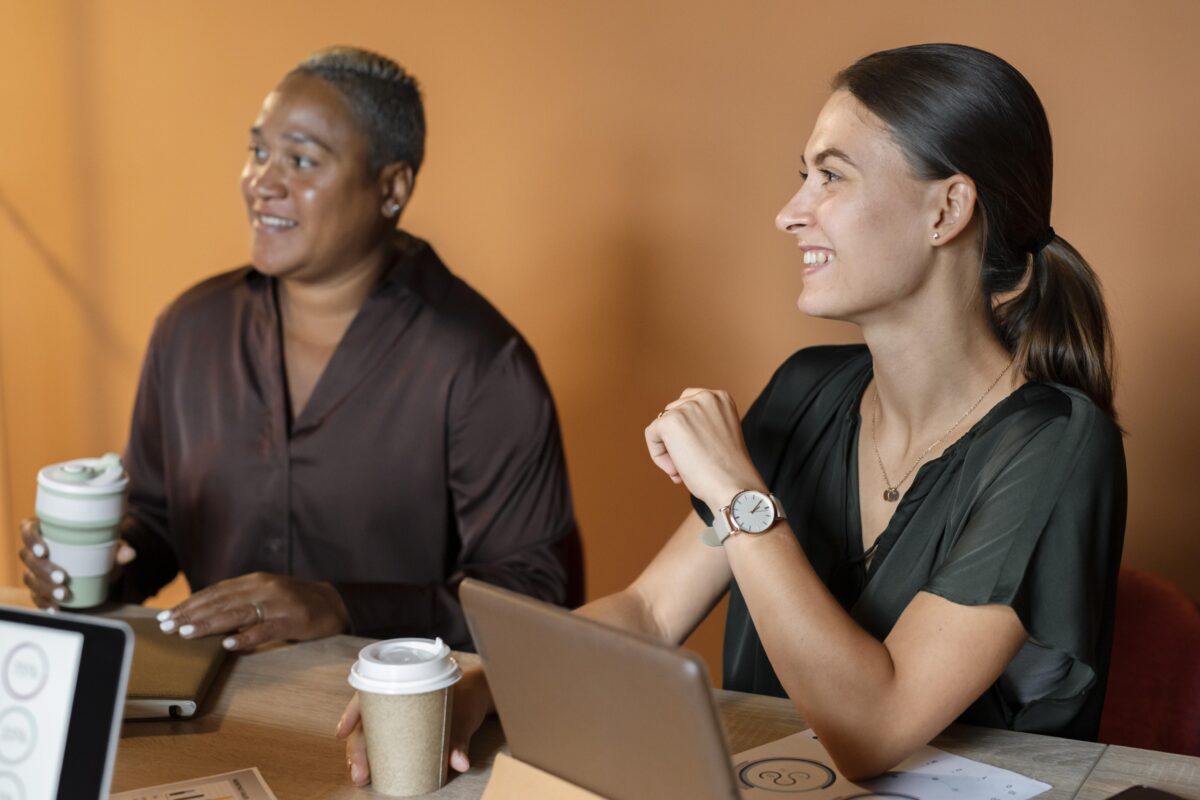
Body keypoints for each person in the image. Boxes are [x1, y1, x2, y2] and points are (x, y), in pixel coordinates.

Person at [338, 42, 1126, 783]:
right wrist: (478, 687)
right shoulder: (806, 390)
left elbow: (873, 730)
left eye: (832, 176)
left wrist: (739, 496)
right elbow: (648, 612)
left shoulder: (1055, 444)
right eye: (802, 176)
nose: (791, 212)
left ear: (947, 209)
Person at [18, 46, 579, 652]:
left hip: (396, 722)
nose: (264, 182)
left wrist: (343, 606)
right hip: (208, 710)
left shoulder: (480, 365)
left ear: (392, 187)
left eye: (302, 161)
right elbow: (158, 520)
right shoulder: (190, 330)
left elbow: (538, 594)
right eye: (259, 151)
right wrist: (94, 562)